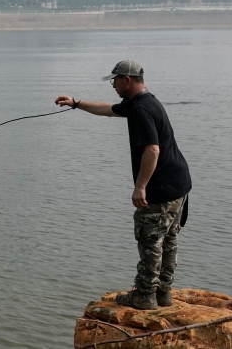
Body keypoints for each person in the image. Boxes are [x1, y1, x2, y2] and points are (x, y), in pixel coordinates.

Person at [55, 60, 191, 310]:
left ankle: (145, 296)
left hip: (160, 188)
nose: (113, 86)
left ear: (126, 80)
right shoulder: (146, 101)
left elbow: (152, 149)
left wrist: (141, 187)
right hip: (179, 184)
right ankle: (163, 293)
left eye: (114, 81)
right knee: (169, 239)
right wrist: (76, 103)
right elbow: (109, 110)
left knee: (151, 240)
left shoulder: (141, 110)